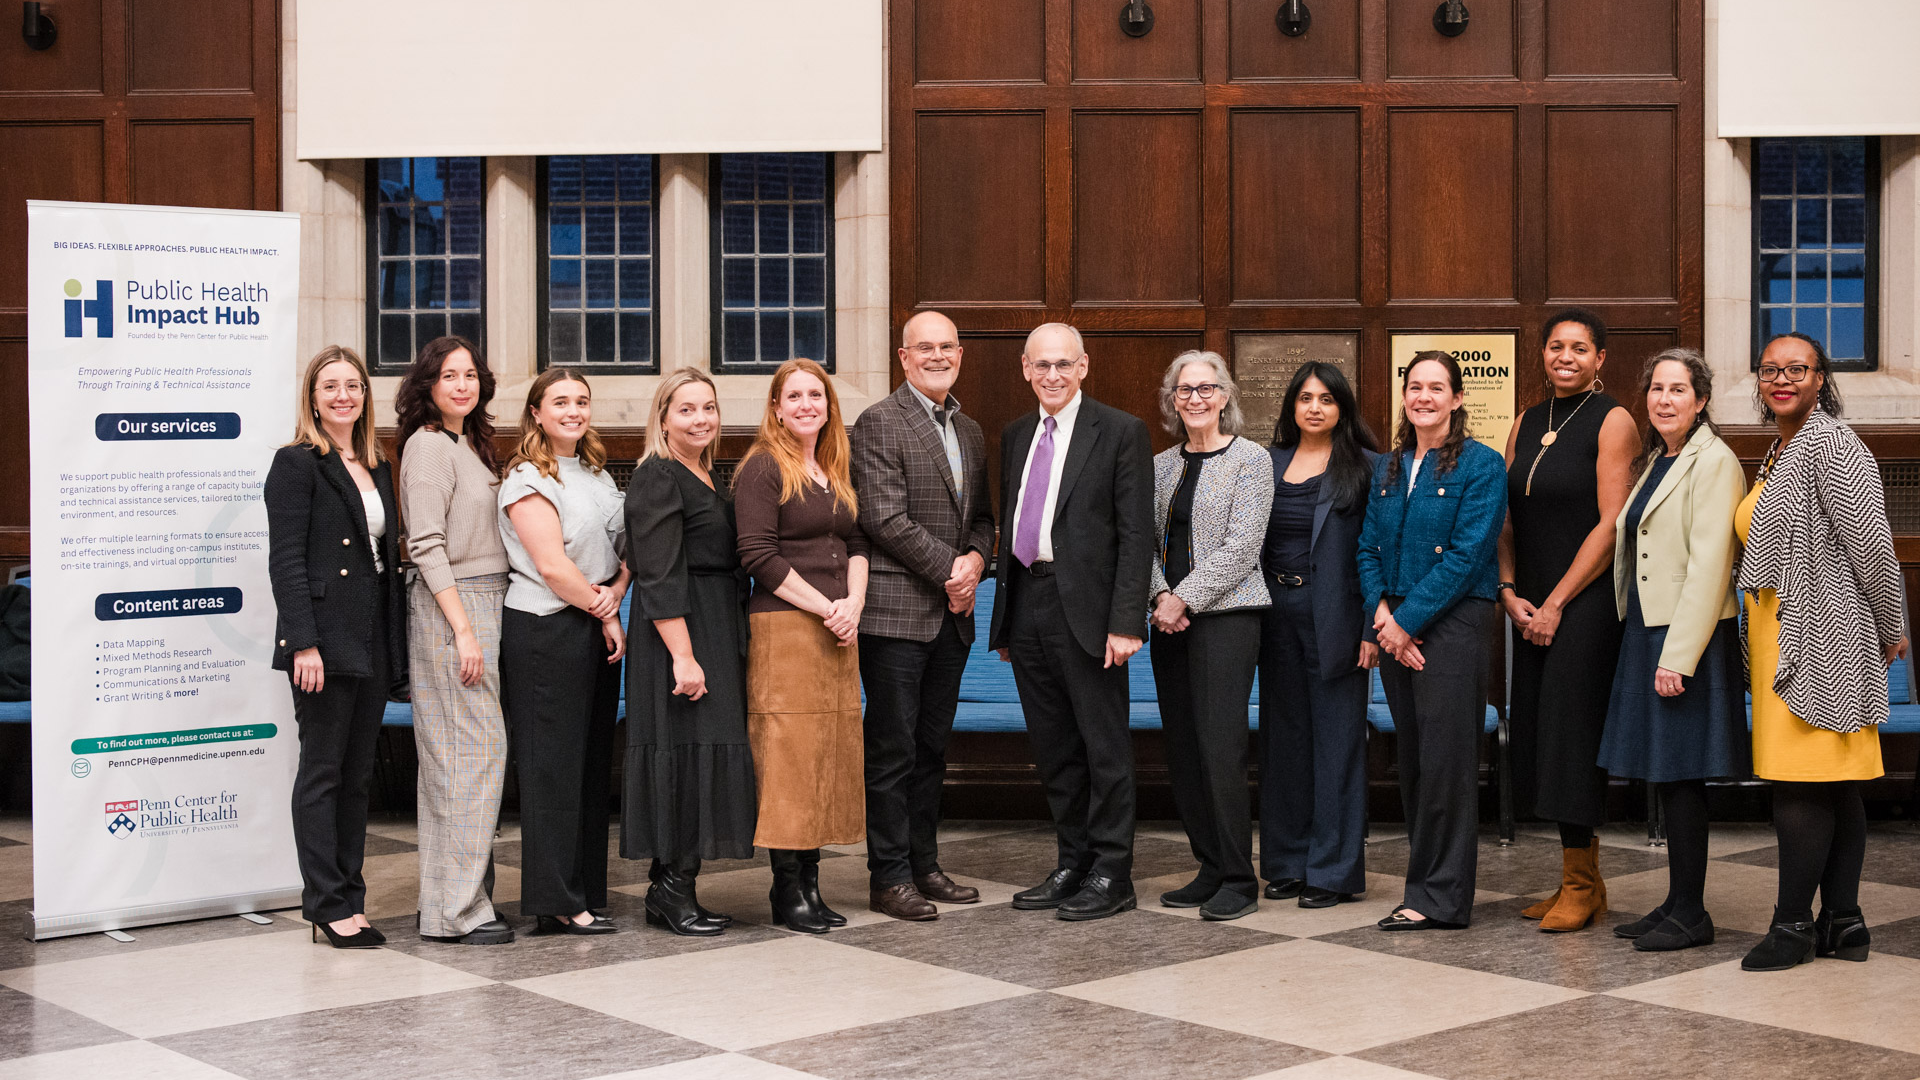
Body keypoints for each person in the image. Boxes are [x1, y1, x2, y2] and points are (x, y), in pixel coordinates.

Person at [1737, 333, 1907, 972]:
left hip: (1822, 639)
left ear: (1819, 378)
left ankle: (1791, 927)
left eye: (1796, 369)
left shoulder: (1830, 443)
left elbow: (1871, 544)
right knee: (1837, 785)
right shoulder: (1782, 449)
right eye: (1770, 369)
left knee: (1800, 785)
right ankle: (1844, 920)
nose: (1782, 379)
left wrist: (1891, 626)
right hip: (1787, 636)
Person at [989, 323, 1155, 922]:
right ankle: (1073, 863)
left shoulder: (1119, 431)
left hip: (1090, 613)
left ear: (1083, 367)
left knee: (1103, 747)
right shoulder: (1014, 436)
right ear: (1025, 369)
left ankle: (1113, 872)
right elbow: (1012, 530)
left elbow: (1137, 534)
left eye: (1064, 364)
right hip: (1029, 606)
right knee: (1055, 747)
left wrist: (1126, 621)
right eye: (1041, 366)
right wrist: (1005, 624)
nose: (1052, 376)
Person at [1596, 348, 1749, 952]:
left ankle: (1693, 912)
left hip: (1684, 637)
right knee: (1665, 772)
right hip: (1648, 627)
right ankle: (1676, 900)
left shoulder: (1715, 462)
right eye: (1657, 388)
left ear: (1702, 400)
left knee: (1684, 776)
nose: (1664, 399)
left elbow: (1712, 567)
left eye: (1678, 390)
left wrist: (1677, 658)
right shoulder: (1660, 458)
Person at [850, 312, 997, 921]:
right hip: (895, 616)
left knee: (932, 748)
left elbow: (986, 520)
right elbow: (883, 519)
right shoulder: (878, 423)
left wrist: (976, 561)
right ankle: (887, 877)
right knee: (893, 749)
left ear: (959, 354)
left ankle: (923, 865)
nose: (937, 356)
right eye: (924, 348)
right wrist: (953, 571)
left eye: (947, 347)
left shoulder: (971, 432)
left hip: (951, 617)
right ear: (904, 358)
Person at [264, 345, 408, 949]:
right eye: (331, 386)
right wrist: (303, 642)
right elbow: (286, 560)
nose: (344, 395)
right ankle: (325, 904)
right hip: (323, 639)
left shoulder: (377, 462)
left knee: (356, 777)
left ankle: (352, 896)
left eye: (353, 385)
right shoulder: (297, 463)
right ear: (313, 397)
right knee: (322, 771)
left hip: (372, 634)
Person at [1499, 308, 1638, 933]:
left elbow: (1612, 524)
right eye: (1556, 346)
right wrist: (1508, 591)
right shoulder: (1526, 421)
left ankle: (1580, 886)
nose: (1565, 356)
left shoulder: (1614, 421)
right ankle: (1580, 879)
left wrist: (1555, 602)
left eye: (1580, 348)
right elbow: (1506, 519)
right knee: (1541, 734)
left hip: (1583, 605)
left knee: (1572, 738)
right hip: (1527, 605)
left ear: (1600, 359)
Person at [1358, 351, 1506, 931]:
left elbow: (1469, 557)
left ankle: (1440, 899)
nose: (1423, 397)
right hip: (1396, 627)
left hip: (1455, 625)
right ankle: (1422, 887)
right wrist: (1383, 617)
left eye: (1436, 388)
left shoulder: (1482, 465)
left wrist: (1406, 623)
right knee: (1417, 762)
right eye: (1414, 387)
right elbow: (1367, 548)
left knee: (1447, 764)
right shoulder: (1388, 467)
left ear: (1458, 399)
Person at [735, 358, 871, 935]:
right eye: (794, 397)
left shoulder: (833, 466)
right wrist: (826, 607)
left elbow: (859, 540)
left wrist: (854, 606)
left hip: (838, 628)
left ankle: (812, 883)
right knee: (789, 757)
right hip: (786, 629)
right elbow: (758, 556)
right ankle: (786, 888)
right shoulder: (763, 468)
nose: (807, 405)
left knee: (828, 752)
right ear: (776, 408)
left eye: (816, 395)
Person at [621, 368, 758, 936]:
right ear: (663, 418)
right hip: (679, 630)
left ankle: (672, 885)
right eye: (686, 410)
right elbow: (657, 571)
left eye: (709, 408)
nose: (701, 419)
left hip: (715, 622)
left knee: (697, 749)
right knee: (685, 751)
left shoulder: (705, 473)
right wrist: (683, 654)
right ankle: (672, 890)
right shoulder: (657, 475)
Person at [498, 369, 629, 936]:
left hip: (595, 617)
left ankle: (585, 890)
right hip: (546, 628)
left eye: (581, 401)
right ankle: (554, 898)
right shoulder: (527, 478)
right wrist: (605, 612)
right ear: (536, 413)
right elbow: (552, 567)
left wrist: (616, 597)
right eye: (560, 402)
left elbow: (627, 552)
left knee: (590, 766)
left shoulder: (597, 476)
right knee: (552, 769)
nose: (573, 411)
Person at [393, 335, 514, 946]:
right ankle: (455, 912)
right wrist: (463, 627)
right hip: (453, 607)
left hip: (483, 601)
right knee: (466, 757)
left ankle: (452, 905)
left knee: (468, 757)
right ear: (428, 386)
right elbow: (425, 544)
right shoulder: (427, 447)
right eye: (448, 375)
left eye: (469, 374)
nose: (461, 384)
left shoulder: (467, 444)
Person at [1148, 350, 1274, 921]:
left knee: (1220, 747)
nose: (1194, 399)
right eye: (1184, 390)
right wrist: (1158, 597)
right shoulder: (1160, 466)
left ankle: (1238, 879)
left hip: (1227, 619)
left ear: (1225, 397)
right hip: (1168, 621)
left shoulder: (1252, 460)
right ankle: (1208, 866)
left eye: (1206, 389)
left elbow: (1243, 547)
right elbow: (1145, 543)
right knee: (1185, 747)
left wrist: (1185, 598)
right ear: (1172, 401)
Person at [1258, 362, 1380, 910]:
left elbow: (1378, 552)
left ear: (1342, 408)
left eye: (1326, 399)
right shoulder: (1265, 462)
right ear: (1291, 407)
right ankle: (1285, 863)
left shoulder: (1369, 467)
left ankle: (1331, 870)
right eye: (1305, 398)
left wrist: (1372, 625)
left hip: (1336, 616)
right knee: (1283, 742)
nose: (1314, 408)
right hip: (1272, 613)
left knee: (1338, 745)